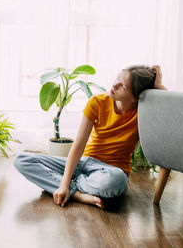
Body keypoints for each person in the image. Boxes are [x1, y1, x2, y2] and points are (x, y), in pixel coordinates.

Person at [14, 65, 167, 209]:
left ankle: (65, 185)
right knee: (21, 160)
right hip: (82, 163)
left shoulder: (143, 112)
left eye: (123, 86)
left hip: (111, 171)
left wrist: (159, 85)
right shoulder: (97, 102)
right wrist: (64, 184)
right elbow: (78, 146)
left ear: (135, 97)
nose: (114, 86)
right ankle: (77, 194)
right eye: (117, 79)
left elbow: (172, 112)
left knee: (117, 181)